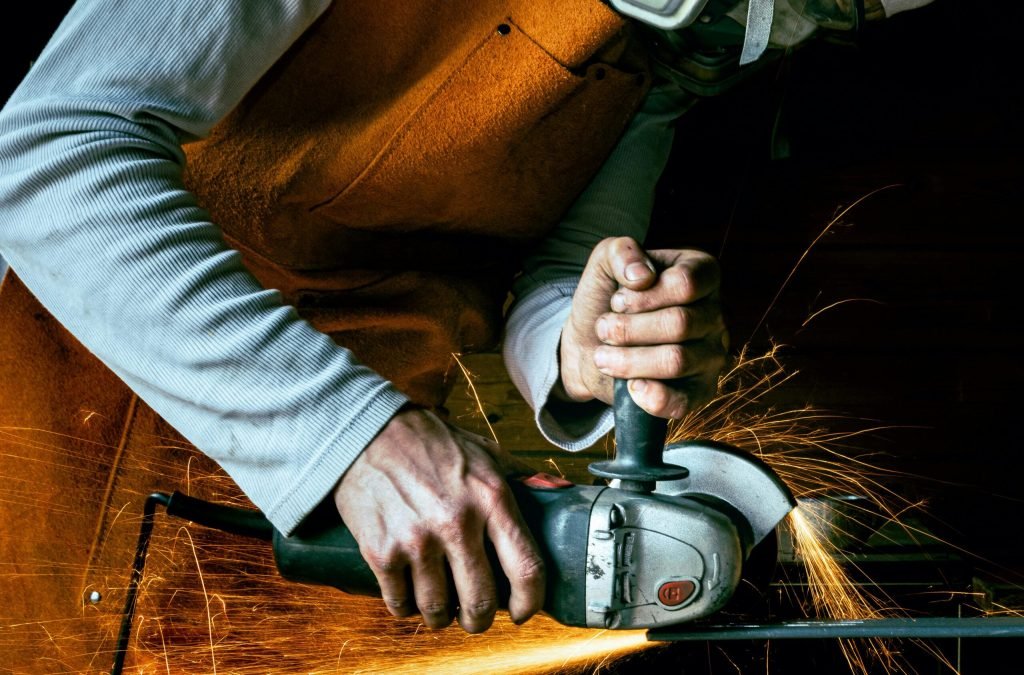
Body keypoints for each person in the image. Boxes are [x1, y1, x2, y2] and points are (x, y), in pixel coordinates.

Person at [0, 0, 934, 667]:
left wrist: (586, 345)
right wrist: (352, 436)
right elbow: (51, 145)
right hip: (99, 429)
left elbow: (550, 272)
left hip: (387, 510)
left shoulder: (659, 50)